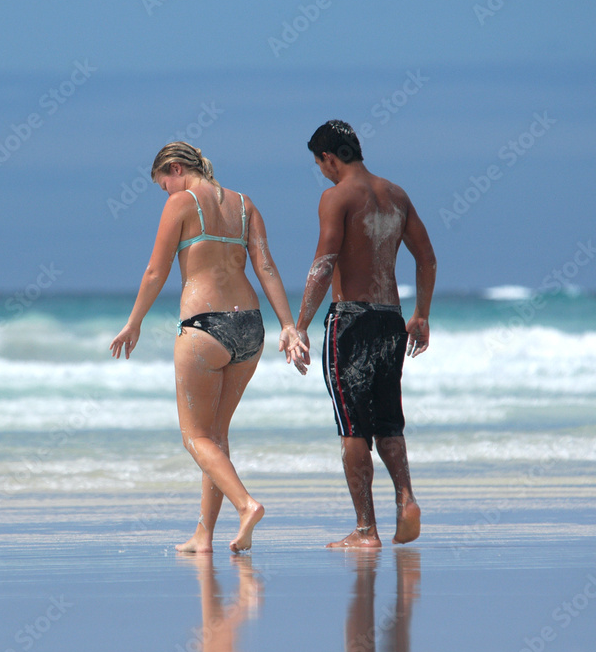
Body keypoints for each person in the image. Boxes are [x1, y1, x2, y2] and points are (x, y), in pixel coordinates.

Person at [110, 141, 305, 553]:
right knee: (215, 436)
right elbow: (266, 265)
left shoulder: (181, 203)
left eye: (164, 185)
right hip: (250, 327)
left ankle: (246, 504)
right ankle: (204, 534)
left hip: (205, 327)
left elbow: (154, 270)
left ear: (176, 169)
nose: (167, 193)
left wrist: (133, 322)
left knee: (195, 437)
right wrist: (288, 324)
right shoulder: (245, 204)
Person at [294, 120, 436, 548]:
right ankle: (406, 498)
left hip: (350, 321)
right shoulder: (395, 194)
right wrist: (422, 315)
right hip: (391, 319)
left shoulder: (336, 197)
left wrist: (299, 324)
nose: (322, 171)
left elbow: (324, 262)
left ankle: (365, 530)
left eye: (320, 164)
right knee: (389, 421)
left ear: (329, 158)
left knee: (353, 428)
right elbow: (427, 260)